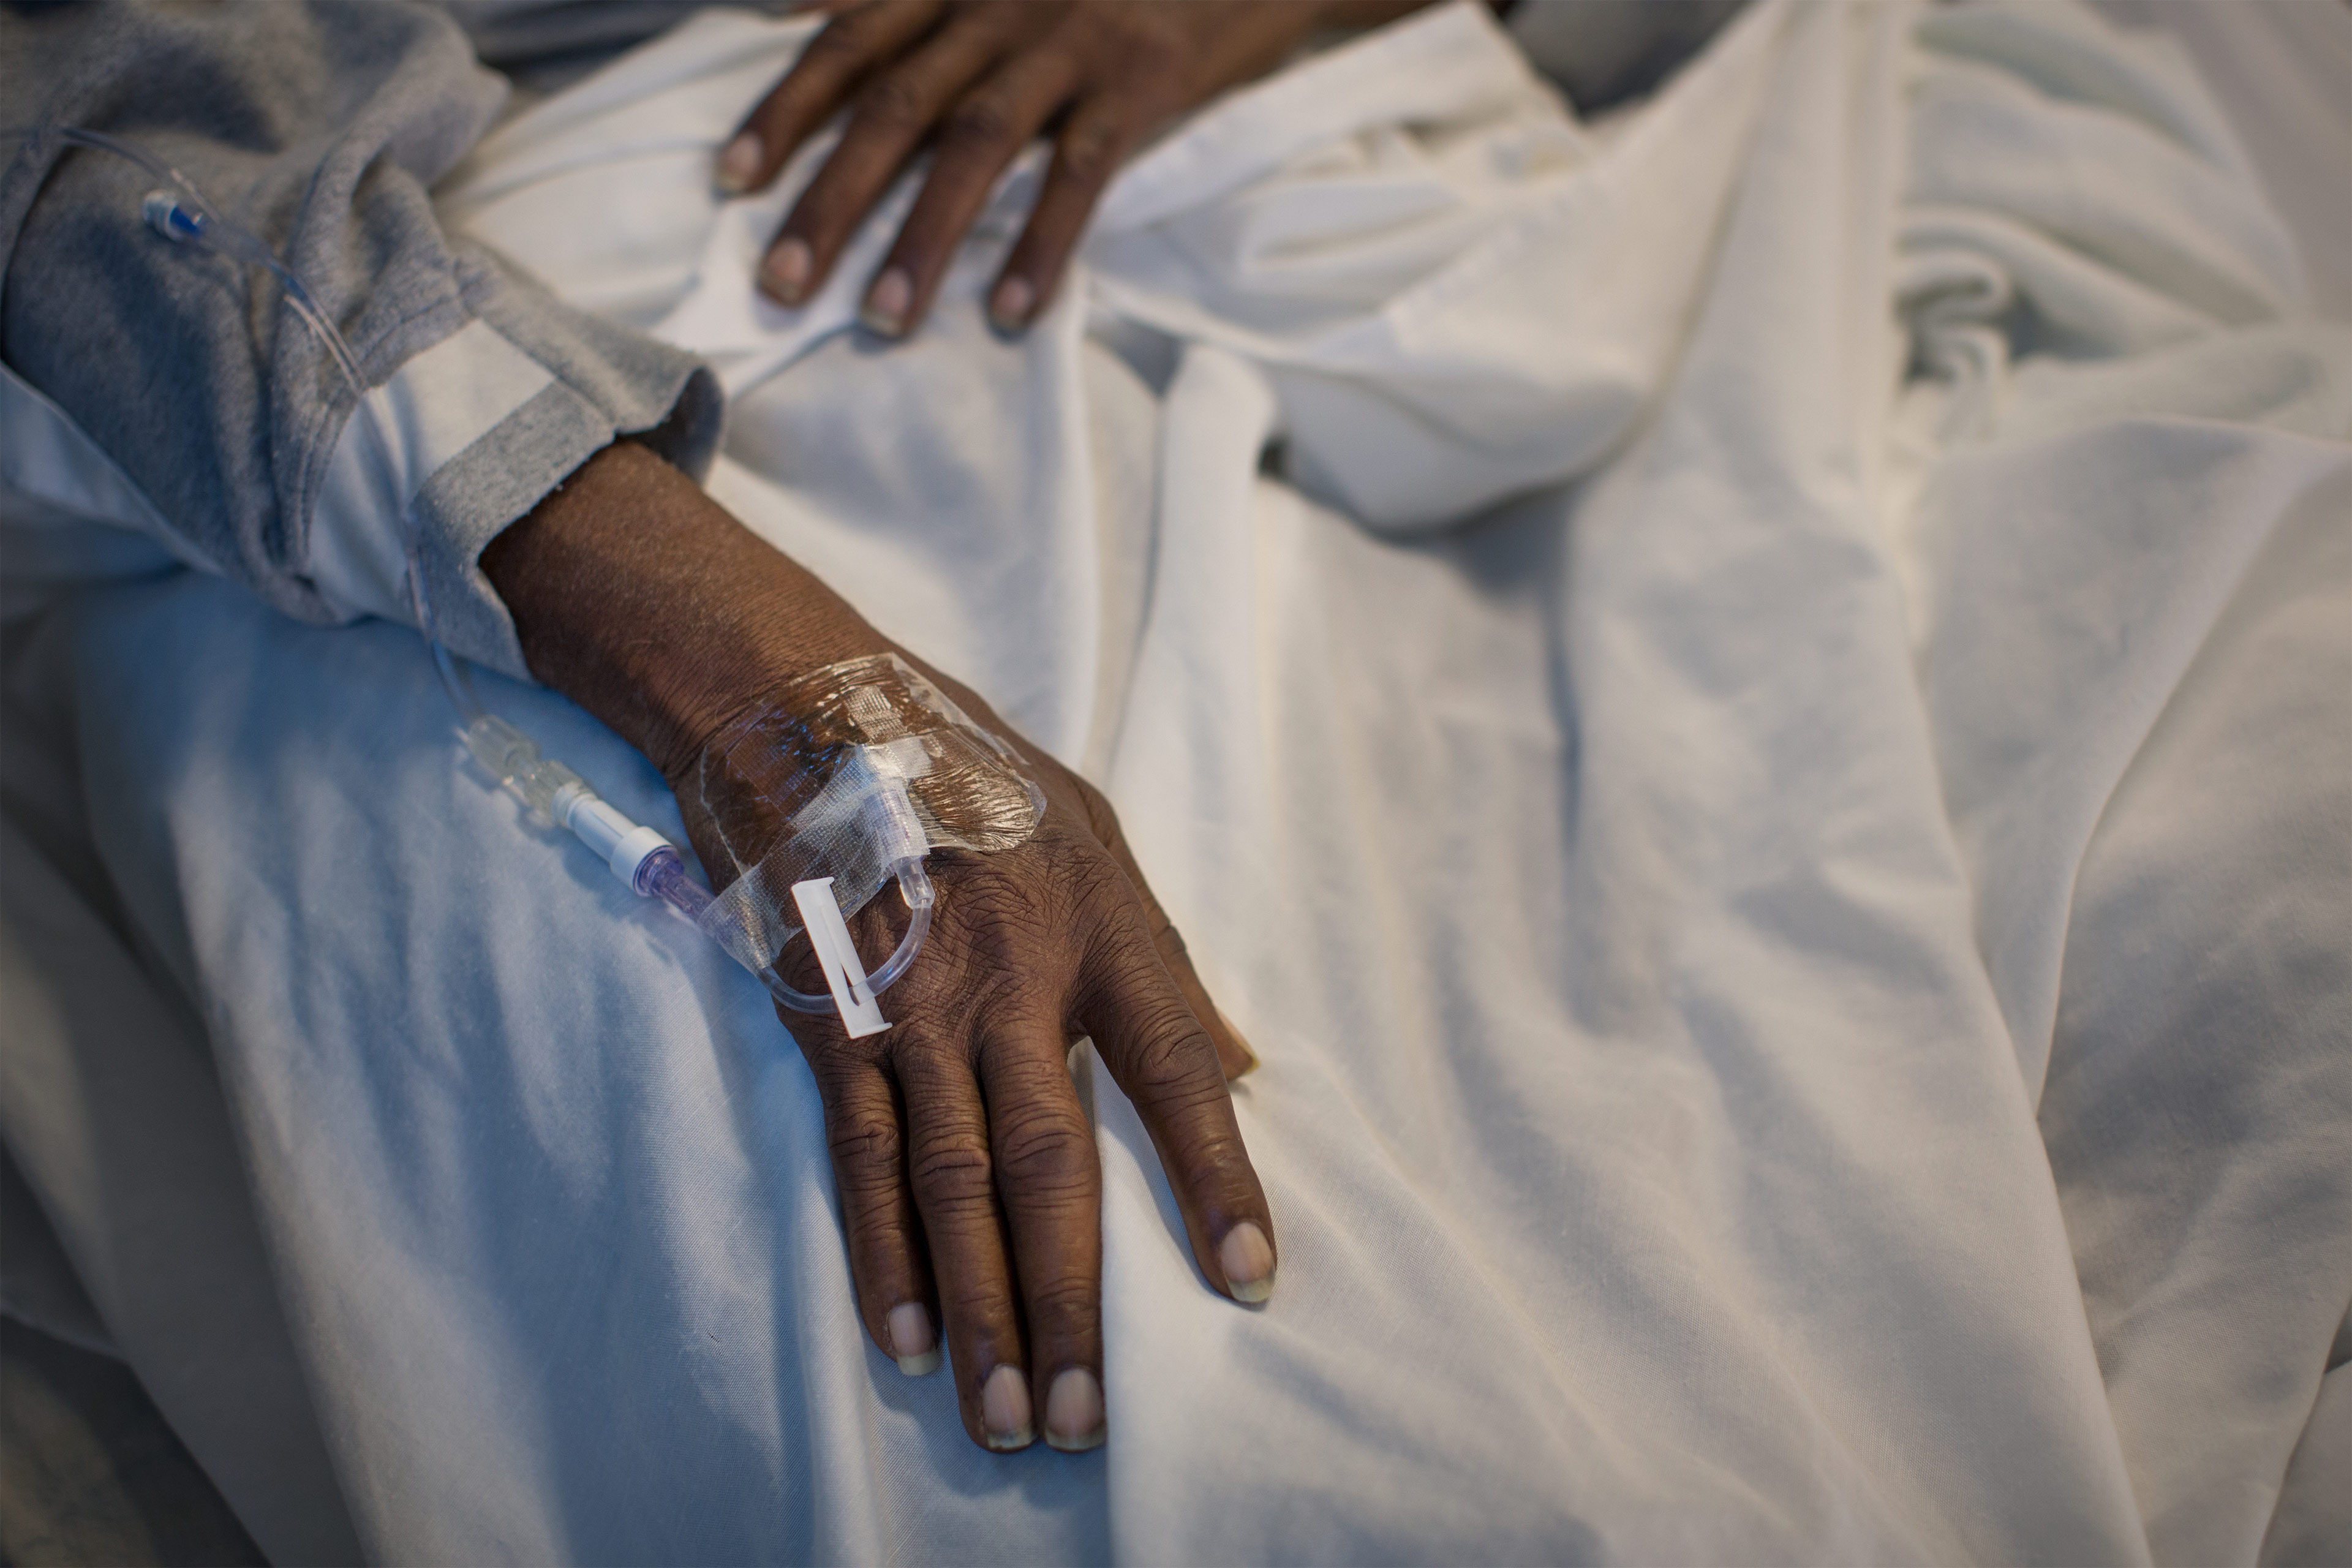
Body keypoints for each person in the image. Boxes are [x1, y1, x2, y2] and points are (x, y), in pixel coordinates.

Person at [1, 0, 1484, 1457]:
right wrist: (779, 695)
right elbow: (74, 151)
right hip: (399, 361)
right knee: (1136, 1353)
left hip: (1131, 193)